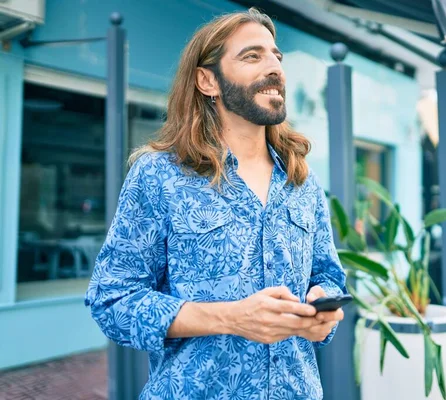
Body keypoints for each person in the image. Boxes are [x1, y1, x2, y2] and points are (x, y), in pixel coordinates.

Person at [85, 7, 347, 400]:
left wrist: (320, 315)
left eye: (277, 56)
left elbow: (329, 277)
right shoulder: (160, 175)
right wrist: (231, 317)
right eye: (252, 55)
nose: (274, 66)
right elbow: (113, 300)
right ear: (208, 80)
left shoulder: (302, 181)